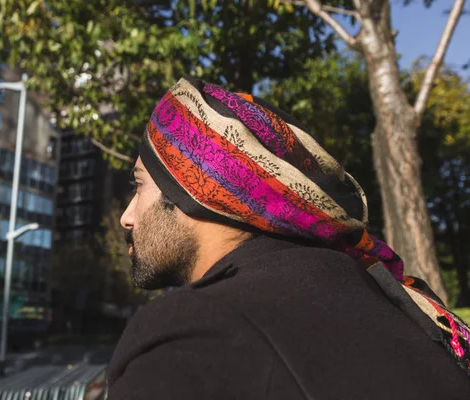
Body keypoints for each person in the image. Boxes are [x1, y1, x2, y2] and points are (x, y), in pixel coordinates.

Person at [106, 76, 470, 399]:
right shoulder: (387, 294)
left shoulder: (191, 333)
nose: (127, 217)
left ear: (194, 192)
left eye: (139, 186)